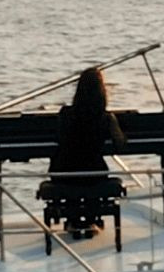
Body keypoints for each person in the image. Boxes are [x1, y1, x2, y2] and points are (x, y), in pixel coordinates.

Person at [38, 68, 128, 238]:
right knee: (93, 175)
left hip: (64, 172)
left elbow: (59, 138)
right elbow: (120, 145)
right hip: (93, 172)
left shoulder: (65, 114)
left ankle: (73, 221)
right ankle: (91, 220)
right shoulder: (106, 117)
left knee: (73, 172)